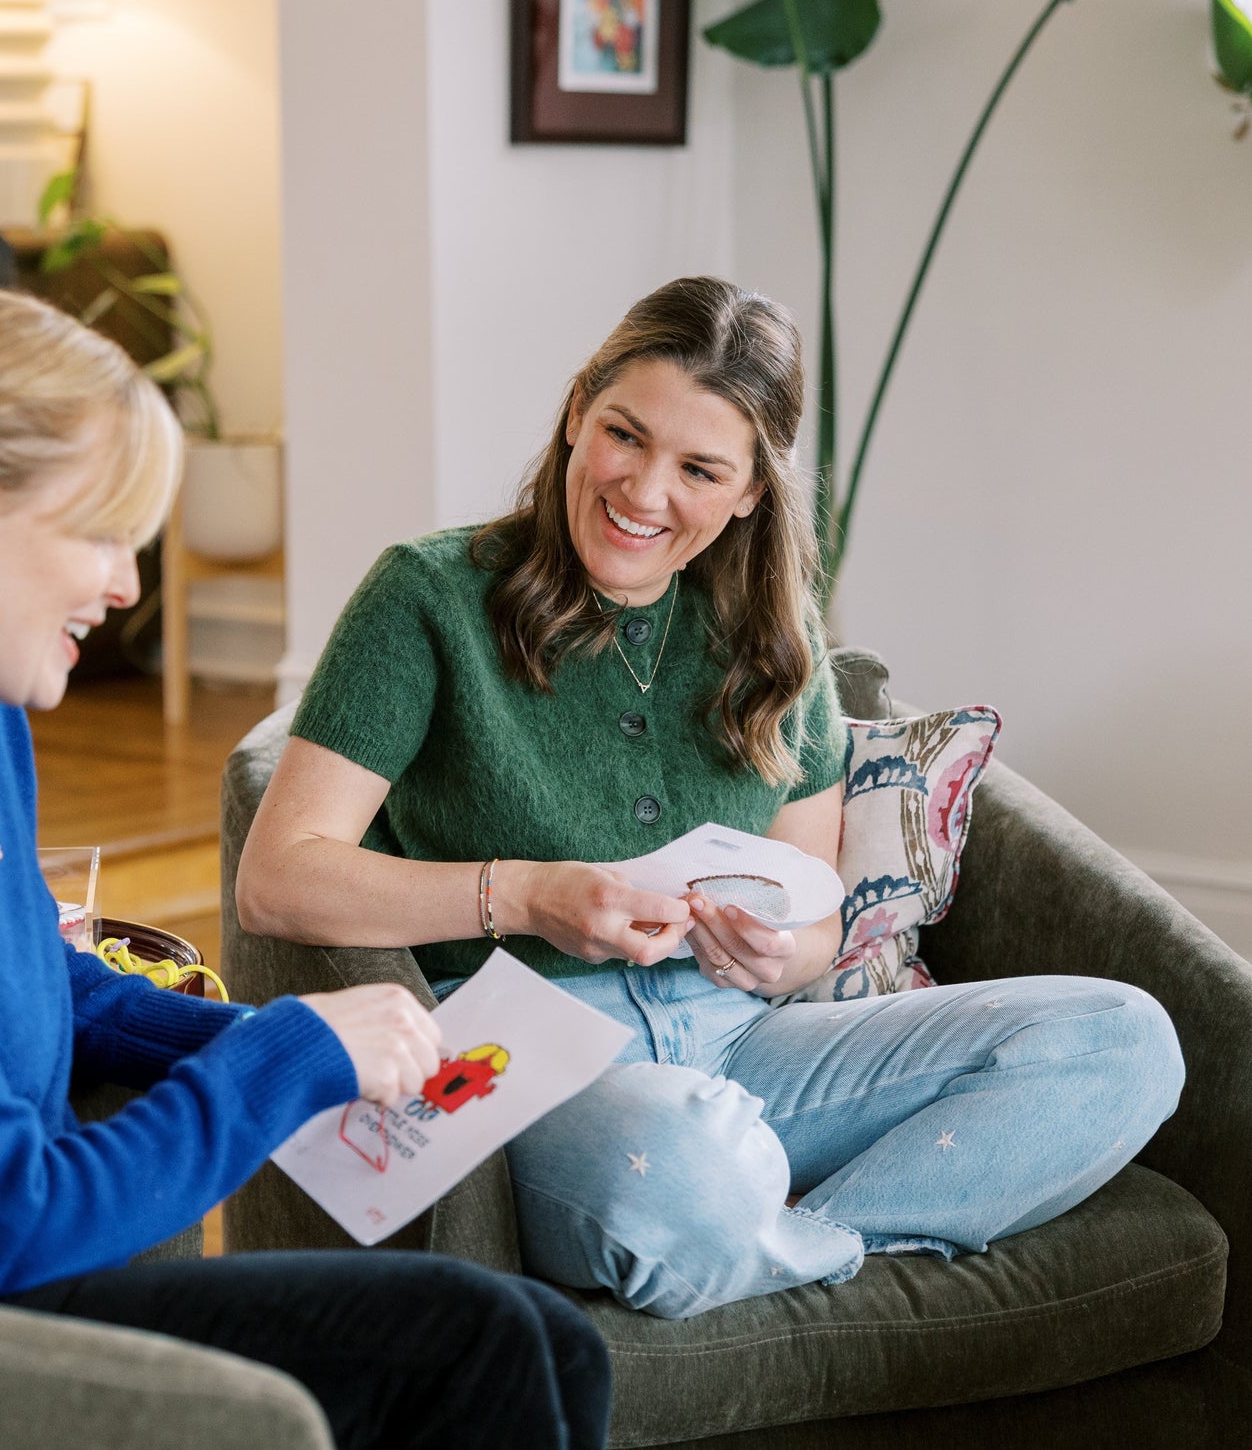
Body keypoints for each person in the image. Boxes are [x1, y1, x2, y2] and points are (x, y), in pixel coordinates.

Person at [0, 286, 612, 1450]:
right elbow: (0, 1229)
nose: (125, 587)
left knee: (553, 1339)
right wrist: (279, 1062)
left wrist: (280, 1038)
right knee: (478, 1345)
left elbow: (39, 976)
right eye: (102, 536)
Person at [239, 275, 1186, 1320]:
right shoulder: (427, 598)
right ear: (575, 414)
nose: (644, 491)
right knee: (682, 1166)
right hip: (530, 1058)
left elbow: (816, 904)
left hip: (746, 1045)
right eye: (624, 436)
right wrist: (525, 896)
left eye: (698, 468)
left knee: (1124, 1038)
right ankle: (760, 1217)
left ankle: (793, 1245)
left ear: (748, 492)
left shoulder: (774, 636)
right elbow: (279, 879)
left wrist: (788, 953)